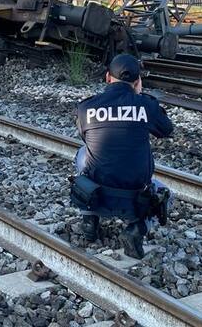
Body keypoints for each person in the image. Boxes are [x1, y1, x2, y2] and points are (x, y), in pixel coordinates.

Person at [73, 53, 173, 259]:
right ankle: (137, 228)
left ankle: (89, 219)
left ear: (108, 77)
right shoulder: (146, 105)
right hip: (135, 196)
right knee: (167, 194)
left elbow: (84, 135)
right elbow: (166, 130)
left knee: (83, 153)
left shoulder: (87, 107)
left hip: (98, 193)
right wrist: (140, 96)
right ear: (137, 82)